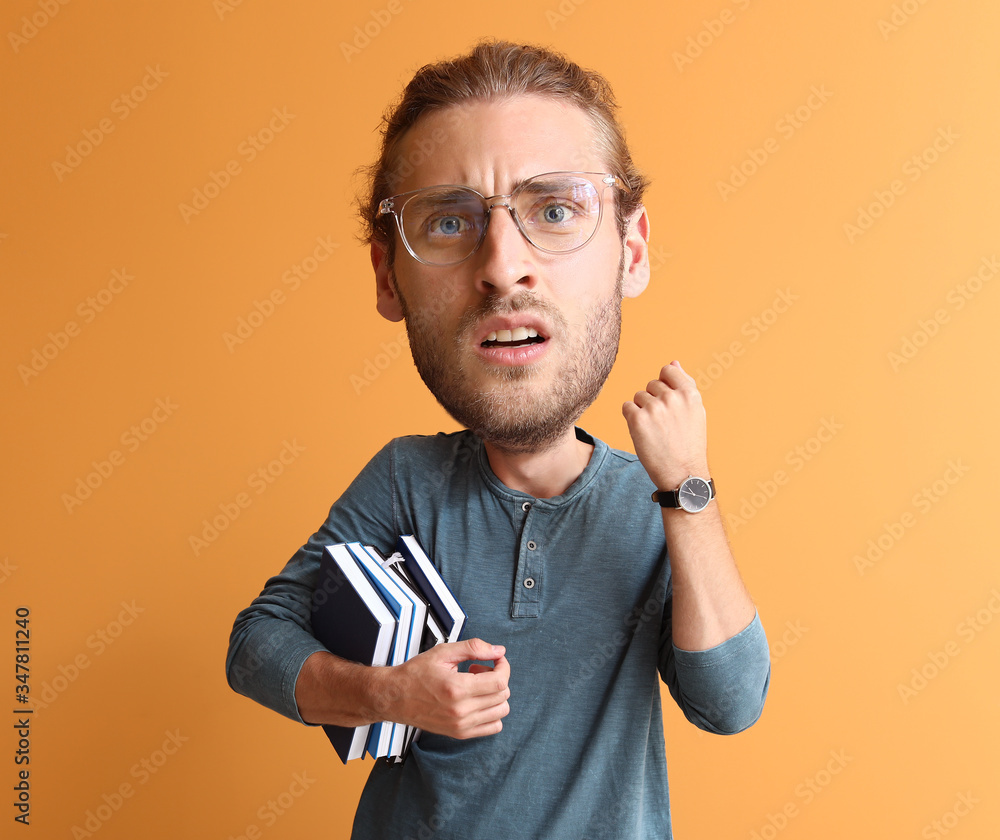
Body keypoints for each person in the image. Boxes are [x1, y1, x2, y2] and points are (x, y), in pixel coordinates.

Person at [226, 40, 770, 840]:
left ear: (634, 250)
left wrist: (687, 490)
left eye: (554, 209)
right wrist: (391, 695)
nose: (502, 266)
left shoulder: (650, 502)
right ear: (387, 278)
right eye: (450, 222)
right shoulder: (405, 482)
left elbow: (729, 703)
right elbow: (254, 646)